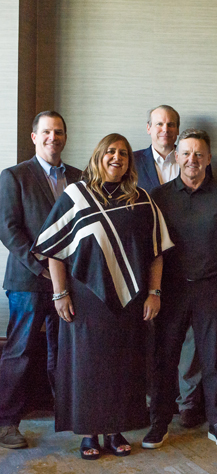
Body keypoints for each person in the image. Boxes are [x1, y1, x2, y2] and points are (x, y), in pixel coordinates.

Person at [32, 133, 173, 460]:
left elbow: (156, 252)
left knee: (124, 366)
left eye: (123, 154)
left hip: (130, 299)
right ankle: (89, 432)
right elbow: (55, 250)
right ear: (98, 156)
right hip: (85, 299)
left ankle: (116, 430)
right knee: (87, 366)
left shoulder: (140, 199)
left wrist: (154, 293)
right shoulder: (76, 195)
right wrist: (60, 293)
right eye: (110, 152)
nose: (117, 158)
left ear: (129, 162)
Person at [144, 129, 217, 448]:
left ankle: (216, 422)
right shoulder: (159, 195)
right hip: (171, 288)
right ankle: (159, 423)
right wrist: (154, 291)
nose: (192, 160)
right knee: (165, 358)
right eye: (186, 153)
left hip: (211, 286)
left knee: (213, 358)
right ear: (177, 157)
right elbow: (154, 248)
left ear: (209, 159)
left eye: (199, 154)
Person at [0, 111, 82, 449]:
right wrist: (41, 267)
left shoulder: (80, 176)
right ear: (34, 136)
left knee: (64, 351)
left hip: (71, 282)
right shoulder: (14, 176)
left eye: (59, 131)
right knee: (20, 351)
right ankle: (7, 423)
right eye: (46, 131)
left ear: (65, 136)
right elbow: (7, 229)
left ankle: (70, 417)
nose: (53, 137)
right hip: (28, 281)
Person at [133, 104, 206, 428]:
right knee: (148, 337)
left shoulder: (193, 159)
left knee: (189, 340)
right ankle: (148, 402)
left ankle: (188, 402)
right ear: (149, 127)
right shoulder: (130, 162)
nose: (166, 129)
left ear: (178, 129)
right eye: (159, 124)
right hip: (142, 262)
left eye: (172, 124)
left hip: (186, 265)